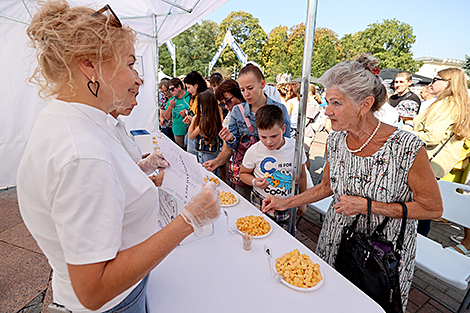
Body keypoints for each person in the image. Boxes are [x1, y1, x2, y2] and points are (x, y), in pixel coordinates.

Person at [17, 2, 220, 312]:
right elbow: (94, 289)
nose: (136, 79)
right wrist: (188, 220)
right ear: (90, 66)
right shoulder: (82, 153)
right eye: (129, 64)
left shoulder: (74, 121)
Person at [262, 54, 443, 311]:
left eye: (336, 103)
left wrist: (368, 206)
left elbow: (433, 208)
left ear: (365, 104)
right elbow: (327, 187)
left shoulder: (407, 147)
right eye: (326, 102)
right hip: (336, 239)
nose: (327, 111)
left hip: (382, 253)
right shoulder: (336, 141)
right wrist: (286, 202)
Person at [411, 68, 470, 236]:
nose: (431, 83)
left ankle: (415, 247)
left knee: (418, 210)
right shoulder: (456, 103)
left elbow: (432, 136)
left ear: (448, 83)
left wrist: (403, 131)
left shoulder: (447, 104)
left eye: (435, 79)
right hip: (433, 165)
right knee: (423, 209)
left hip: (426, 162)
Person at [220, 63, 291, 200]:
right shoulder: (237, 110)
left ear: (262, 84)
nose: (246, 93)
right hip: (245, 172)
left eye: (250, 88)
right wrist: (230, 138)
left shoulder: (280, 109)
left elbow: (286, 143)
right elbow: (234, 146)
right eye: (242, 90)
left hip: (272, 172)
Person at [240, 105, 307, 225]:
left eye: (274, 136)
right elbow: (243, 173)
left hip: (287, 202)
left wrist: (302, 202)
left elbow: (301, 176)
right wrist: (255, 181)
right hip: (260, 200)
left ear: (283, 129)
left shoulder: (295, 148)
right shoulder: (254, 150)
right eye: (263, 137)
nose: (268, 142)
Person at [204, 79, 245, 182]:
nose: (227, 106)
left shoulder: (252, 111)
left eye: (228, 101)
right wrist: (216, 161)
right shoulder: (229, 118)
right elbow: (227, 150)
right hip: (239, 167)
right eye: (223, 104)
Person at [188, 90, 223, 174]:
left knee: (205, 174)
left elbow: (191, 135)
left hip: (205, 152)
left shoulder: (205, 120)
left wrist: (193, 121)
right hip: (214, 150)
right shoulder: (217, 115)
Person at [182, 71, 208, 156]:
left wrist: (193, 120)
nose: (188, 91)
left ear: (196, 85)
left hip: (201, 136)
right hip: (194, 134)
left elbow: (207, 120)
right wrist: (191, 119)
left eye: (189, 87)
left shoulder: (206, 99)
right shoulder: (194, 98)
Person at [162, 77, 191, 149]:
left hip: (190, 130)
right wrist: (170, 107)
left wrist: (187, 112)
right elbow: (166, 117)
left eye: (172, 89)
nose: (171, 91)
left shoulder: (189, 96)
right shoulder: (171, 100)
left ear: (179, 87)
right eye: (169, 90)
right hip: (178, 131)